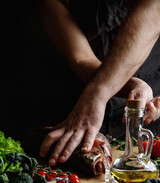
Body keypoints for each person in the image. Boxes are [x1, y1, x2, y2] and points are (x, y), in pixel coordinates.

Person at [39, 0, 160, 166]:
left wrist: (97, 95)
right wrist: (129, 85)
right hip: (81, 106)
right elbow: (81, 58)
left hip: (150, 107)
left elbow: (153, 11)